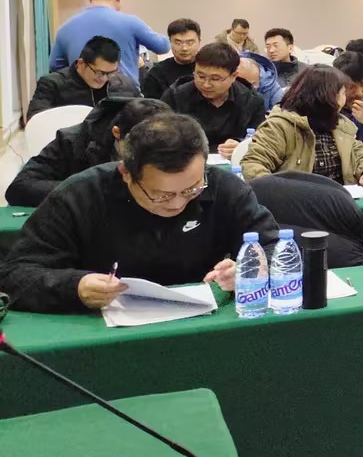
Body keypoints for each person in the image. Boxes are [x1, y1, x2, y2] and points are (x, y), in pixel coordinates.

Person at [0, 113, 278, 312]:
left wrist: (249, 268)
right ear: (126, 173)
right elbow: (15, 274)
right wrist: (75, 287)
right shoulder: (79, 195)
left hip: (204, 319)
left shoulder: (225, 188)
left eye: (191, 190)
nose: (177, 204)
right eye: (162, 194)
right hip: (103, 329)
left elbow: (274, 247)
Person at [7, 97, 168, 206]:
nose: (144, 158)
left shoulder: (174, 142)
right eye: (137, 149)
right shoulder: (73, 141)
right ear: (117, 133)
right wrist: (93, 190)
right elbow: (20, 187)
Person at [240, 64, 363, 187]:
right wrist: (281, 192)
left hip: (339, 201)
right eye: (343, 93)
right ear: (327, 97)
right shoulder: (280, 126)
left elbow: (361, 156)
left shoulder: (341, 125)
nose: (344, 100)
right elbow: (253, 165)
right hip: (296, 203)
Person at [49, 0, 168, 84]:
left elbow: (54, 67)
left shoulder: (65, 28)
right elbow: (163, 47)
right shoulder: (131, 23)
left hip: (80, 95)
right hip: (124, 94)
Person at [159, 41, 266, 157]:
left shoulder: (251, 101)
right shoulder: (175, 97)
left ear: (233, 76)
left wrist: (242, 147)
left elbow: (260, 142)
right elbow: (160, 138)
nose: (206, 84)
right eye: (201, 76)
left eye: (215, 79)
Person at [27, 36, 139, 118]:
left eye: (111, 73)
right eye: (100, 73)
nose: (105, 79)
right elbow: (36, 119)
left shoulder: (125, 85)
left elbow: (141, 115)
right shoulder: (52, 84)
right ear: (81, 64)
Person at [141, 19, 203, 98]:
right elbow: (152, 103)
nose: (184, 48)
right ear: (170, 42)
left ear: (199, 41)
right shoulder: (157, 72)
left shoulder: (208, 68)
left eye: (190, 43)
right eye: (178, 43)